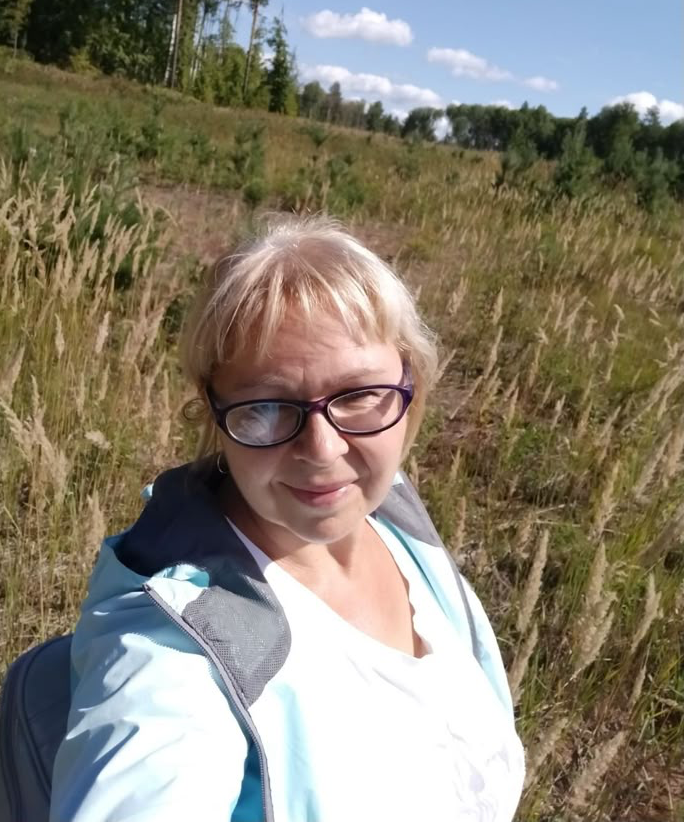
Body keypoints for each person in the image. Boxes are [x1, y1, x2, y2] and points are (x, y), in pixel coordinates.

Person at [49, 215, 525, 822]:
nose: (323, 451)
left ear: (412, 387)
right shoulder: (173, 640)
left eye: (358, 394)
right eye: (267, 406)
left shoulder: (393, 510)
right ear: (213, 410)